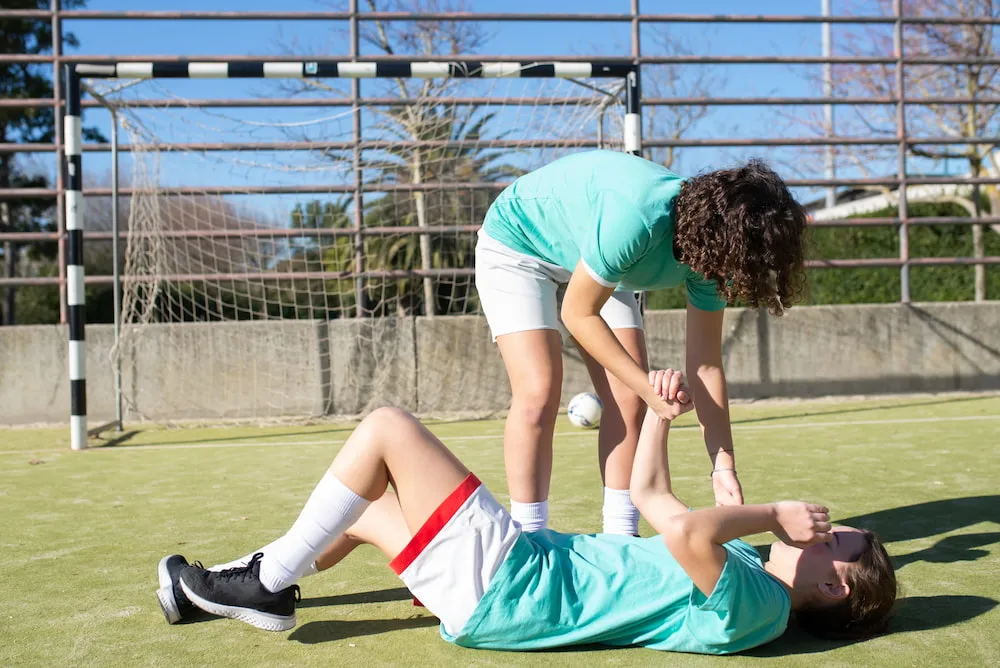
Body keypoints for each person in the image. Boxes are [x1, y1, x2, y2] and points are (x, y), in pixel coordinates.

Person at [158, 370, 897, 654]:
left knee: (387, 428)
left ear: (834, 586)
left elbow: (683, 531)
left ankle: (267, 586)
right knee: (365, 508)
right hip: (511, 589)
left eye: (833, 538)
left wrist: (770, 513)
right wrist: (659, 416)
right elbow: (651, 498)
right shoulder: (745, 571)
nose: (819, 526)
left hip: (520, 586)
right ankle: (223, 589)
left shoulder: (763, 609)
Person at [473, 150, 809, 535]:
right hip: (521, 241)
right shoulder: (639, 219)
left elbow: (706, 364)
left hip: (599, 257)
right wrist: (651, 392)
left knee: (628, 399)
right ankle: (530, 538)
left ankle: (621, 536)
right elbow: (578, 313)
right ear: (723, 238)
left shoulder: (717, 260)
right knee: (539, 391)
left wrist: (723, 465)